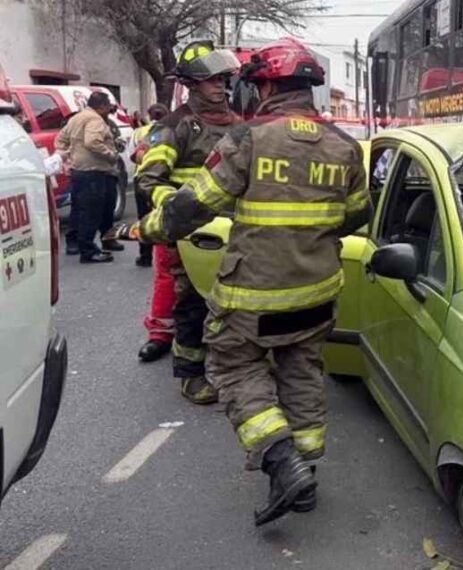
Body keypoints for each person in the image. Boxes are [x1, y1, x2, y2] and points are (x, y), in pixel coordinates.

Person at [119, 37, 371, 525]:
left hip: (254, 295)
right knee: (301, 366)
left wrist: (144, 229)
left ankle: (281, 461)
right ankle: (305, 471)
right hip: (319, 292)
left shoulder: (248, 138)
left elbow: (193, 207)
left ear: (267, 87)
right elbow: (356, 216)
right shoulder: (344, 146)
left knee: (233, 366)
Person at [134, 42, 240, 399]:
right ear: (193, 84)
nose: (220, 86)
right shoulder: (174, 126)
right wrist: (177, 210)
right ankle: (191, 374)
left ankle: (231, 366)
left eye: (223, 79)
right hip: (192, 234)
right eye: (212, 80)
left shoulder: (238, 125)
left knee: (233, 301)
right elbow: (150, 178)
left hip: (234, 230)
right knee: (192, 302)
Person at [55, 92, 120, 263]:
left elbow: (60, 139)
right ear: (103, 106)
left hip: (80, 171)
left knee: (81, 209)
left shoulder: (77, 118)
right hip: (93, 171)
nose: (109, 110)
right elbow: (92, 142)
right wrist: (110, 155)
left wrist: (68, 158)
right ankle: (88, 250)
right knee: (91, 212)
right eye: (108, 107)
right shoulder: (95, 119)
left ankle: (79, 245)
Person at [131, 103, 171, 268]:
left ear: (149, 115)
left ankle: (145, 256)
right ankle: (167, 257)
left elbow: (132, 154)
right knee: (165, 218)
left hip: (142, 178)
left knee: (144, 218)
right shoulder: (173, 130)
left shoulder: (140, 132)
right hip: (165, 179)